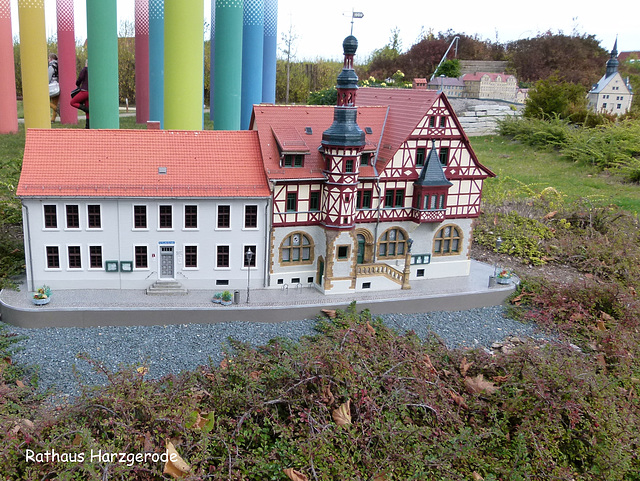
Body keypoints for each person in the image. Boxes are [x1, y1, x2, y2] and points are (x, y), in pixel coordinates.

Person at [70, 60, 89, 128]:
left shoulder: (85, 70)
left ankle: (87, 109)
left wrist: (77, 84)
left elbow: (80, 79)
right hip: (92, 93)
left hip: (85, 91)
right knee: (88, 108)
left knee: (72, 102)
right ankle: (88, 126)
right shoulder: (96, 70)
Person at [48, 53, 60, 122]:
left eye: (49, 58)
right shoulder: (59, 65)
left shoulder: (51, 66)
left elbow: (48, 77)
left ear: (51, 59)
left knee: (45, 100)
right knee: (54, 101)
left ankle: (57, 109)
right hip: (57, 86)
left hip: (51, 85)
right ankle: (53, 119)